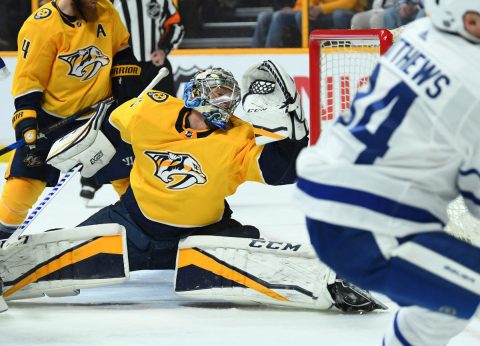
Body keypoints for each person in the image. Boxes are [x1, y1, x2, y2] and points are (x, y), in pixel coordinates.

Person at [46, 61, 384, 313]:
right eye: (217, 93)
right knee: (55, 251)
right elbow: (116, 120)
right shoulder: (150, 111)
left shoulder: (236, 137)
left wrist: (296, 137)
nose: (224, 103)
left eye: (228, 97)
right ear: (196, 93)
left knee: (250, 239)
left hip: (202, 234)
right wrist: (93, 136)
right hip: (132, 224)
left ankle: (330, 284)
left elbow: (278, 169)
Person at [295, 0, 480, 344]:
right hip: (371, 226)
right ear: (465, 18)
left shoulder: (418, 36)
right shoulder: (471, 82)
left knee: (446, 303)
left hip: (333, 196)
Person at [0, 0, 141, 239]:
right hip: (52, 119)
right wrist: (26, 122)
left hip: (101, 114)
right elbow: (29, 82)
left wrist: (124, 80)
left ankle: (150, 230)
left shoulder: (105, 11)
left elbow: (122, 49)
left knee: (131, 177)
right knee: (23, 185)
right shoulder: (41, 26)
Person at [78, 0, 186, 204]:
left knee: (169, 121)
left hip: (156, 66)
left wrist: (163, 48)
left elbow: (175, 25)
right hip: (121, 68)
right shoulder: (106, 2)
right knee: (112, 120)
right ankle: (91, 176)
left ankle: (176, 175)